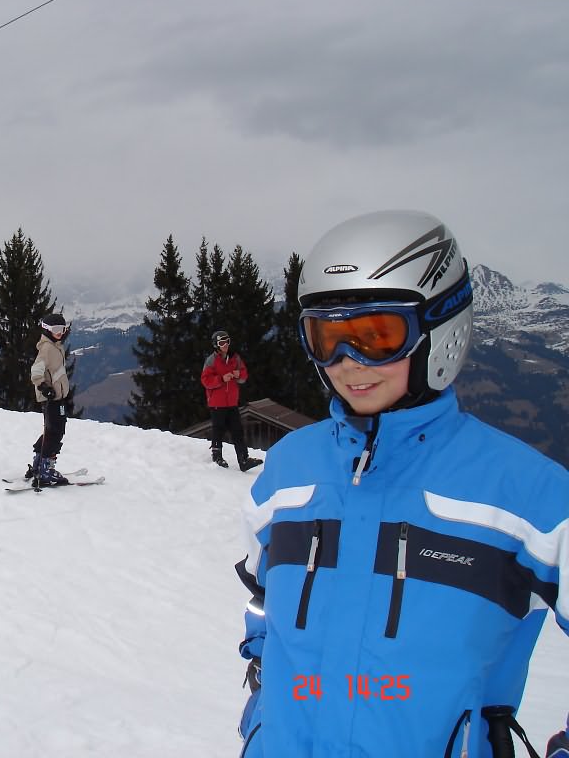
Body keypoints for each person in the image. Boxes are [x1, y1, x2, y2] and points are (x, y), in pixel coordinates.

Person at [235, 210, 569, 758]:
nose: (348, 363)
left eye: (377, 337)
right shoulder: (288, 470)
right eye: (328, 337)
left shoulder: (524, 492)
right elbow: (262, 597)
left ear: (441, 330)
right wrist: (261, 707)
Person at [200, 330, 262, 472]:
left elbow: (244, 376)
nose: (225, 345)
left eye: (227, 341)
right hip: (217, 403)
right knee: (218, 430)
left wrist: (239, 374)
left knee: (237, 431)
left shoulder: (235, 358)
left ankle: (244, 460)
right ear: (216, 345)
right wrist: (221, 379)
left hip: (232, 403)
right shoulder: (211, 361)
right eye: (222, 342)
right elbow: (206, 381)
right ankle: (217, 457)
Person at [25, 313, 72, 487]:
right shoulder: (47, 349)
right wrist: (44, 387)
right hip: (51, 398)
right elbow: (35, 372)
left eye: (63, 329)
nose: (60, 332)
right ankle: (45, 470)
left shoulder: (56, 346)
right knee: (56, 431)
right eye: (56, 329)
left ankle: (39, 463)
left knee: (52, 430)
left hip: (57, 397)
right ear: (46, 329)